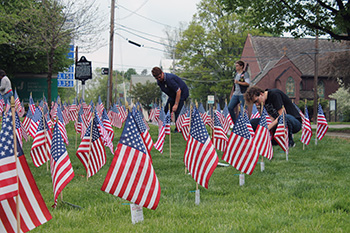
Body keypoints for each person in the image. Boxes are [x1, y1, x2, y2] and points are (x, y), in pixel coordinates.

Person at [151, 67, 189, 132]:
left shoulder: (169, 79)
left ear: (162, 73)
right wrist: (172, 102)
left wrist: (176, 104)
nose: (159, 79)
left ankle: (179, 129)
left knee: (178, 111)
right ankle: (165, 127)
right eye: (157, 78)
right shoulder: (159, 82)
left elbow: (178, 91)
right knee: (166, 110)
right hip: (173, 95)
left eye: (160, 77)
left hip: (182, 93)